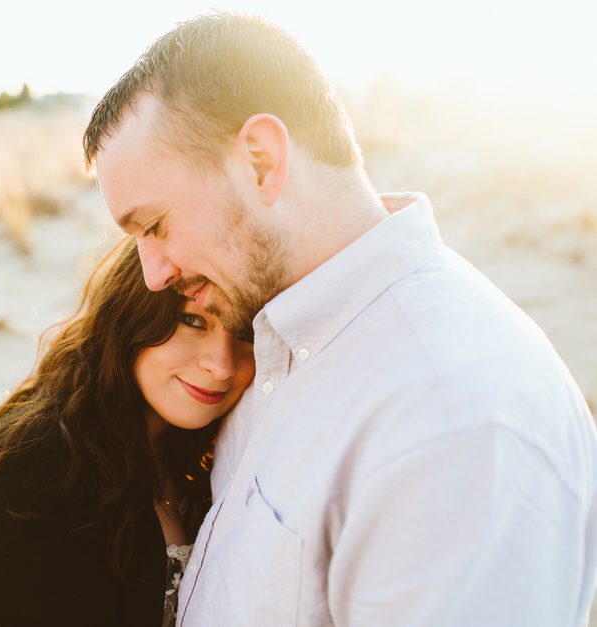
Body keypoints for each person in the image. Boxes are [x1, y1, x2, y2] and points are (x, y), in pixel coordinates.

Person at [84, 13, 597, 627]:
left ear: (261, 161)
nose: (153, 275)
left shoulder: (453, 422)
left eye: (155, 225)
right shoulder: (274, 338)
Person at [0, 237, 255, 626]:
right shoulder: (34, 472)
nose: (222, 365)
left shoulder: (192, 449)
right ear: (135, 311)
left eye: (245, 333)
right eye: (192, 321)